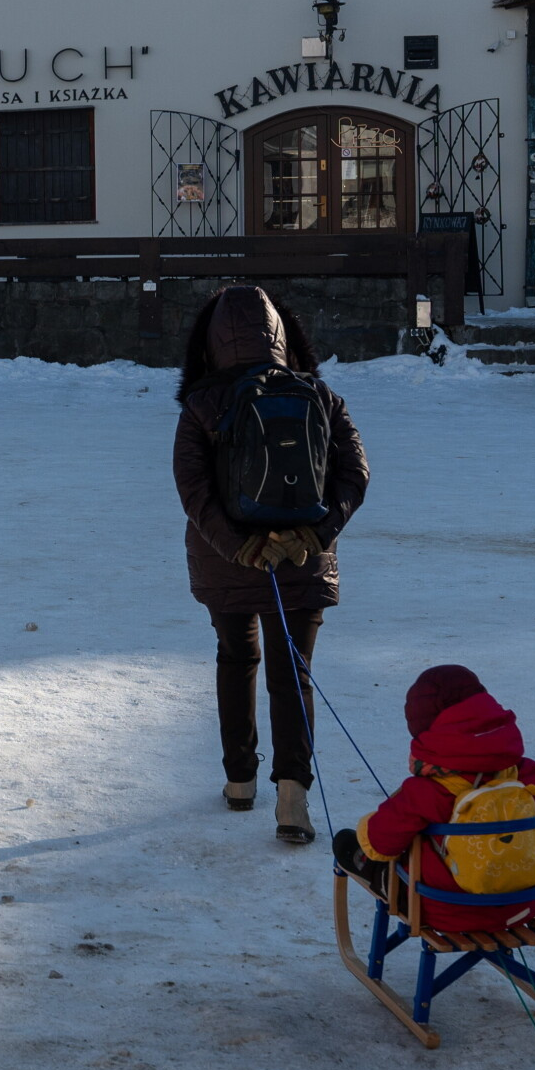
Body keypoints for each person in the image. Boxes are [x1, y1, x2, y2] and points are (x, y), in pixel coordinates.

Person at [172, 284, 367, 839]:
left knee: (236, 659)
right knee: (292, 675)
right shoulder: (320, 395)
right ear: (282, 334)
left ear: (211, 341)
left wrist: (240, 547)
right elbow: (354, 474)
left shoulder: (203, 404)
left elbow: (193, 490)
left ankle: (239, 781)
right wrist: (314, 534)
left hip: (228, 560)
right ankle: (292, 801)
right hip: (303, 559)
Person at [330, 665, 535, 931]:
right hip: (522, 905)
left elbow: (379, 844)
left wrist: (367, 827)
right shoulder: (528, 776)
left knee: (351, 845)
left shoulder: (430, 789)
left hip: (445, 910)